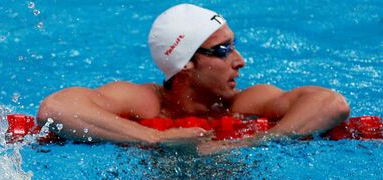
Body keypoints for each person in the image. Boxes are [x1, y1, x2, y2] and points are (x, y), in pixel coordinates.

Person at [37, 4, 350, 154]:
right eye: (223, 50)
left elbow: (330, 104)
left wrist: (251, 141)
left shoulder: (244, 102)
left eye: (234, 46)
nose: (239, 61)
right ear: (185, 62)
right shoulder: (147, 103)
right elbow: (56, 109)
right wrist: (156, 137)